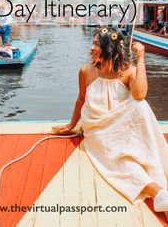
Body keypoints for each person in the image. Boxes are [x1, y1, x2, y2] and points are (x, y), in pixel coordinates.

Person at [52, 27, 168, 211]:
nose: (91, 48)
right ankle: (158, 192)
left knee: (140, 106)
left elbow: (140, 95)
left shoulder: (128, 71)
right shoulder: (86, 71)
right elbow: (81, 99)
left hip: (122, 125)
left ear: (110, 48)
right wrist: (72, 125)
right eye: (93, 43)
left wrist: (140, 59)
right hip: (97, 129)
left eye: (97, 44)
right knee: (119, 161)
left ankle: (162, 191)